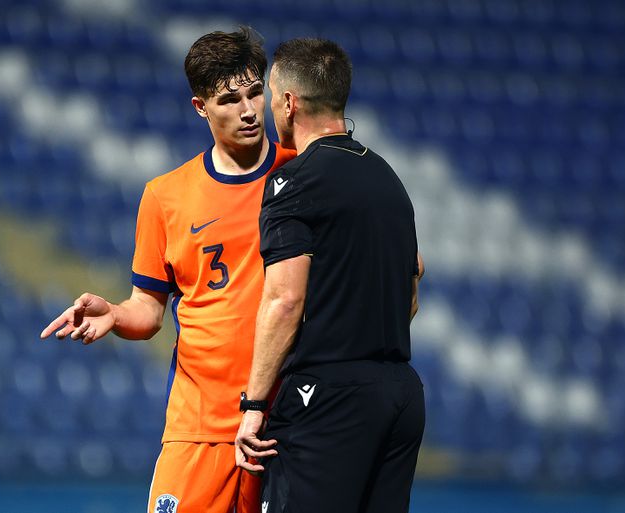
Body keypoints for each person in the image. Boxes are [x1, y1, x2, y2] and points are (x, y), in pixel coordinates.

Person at [40, 27, 295, 513]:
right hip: (200, 428)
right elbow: (149, 311)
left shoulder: (303, 172)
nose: (247, 110)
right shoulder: (166, 196)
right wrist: (115, 314)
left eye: (254, 92)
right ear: (200, 107)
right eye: (228, 99)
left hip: (285, 424)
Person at [235, 38, 425, 513]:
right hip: (399, 394)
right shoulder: (387, 177)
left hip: (327, 400)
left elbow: (284, 300)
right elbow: (412, 283)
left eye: (270, 95)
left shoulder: (295, 181)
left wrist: (255, 405)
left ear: (289, 102)